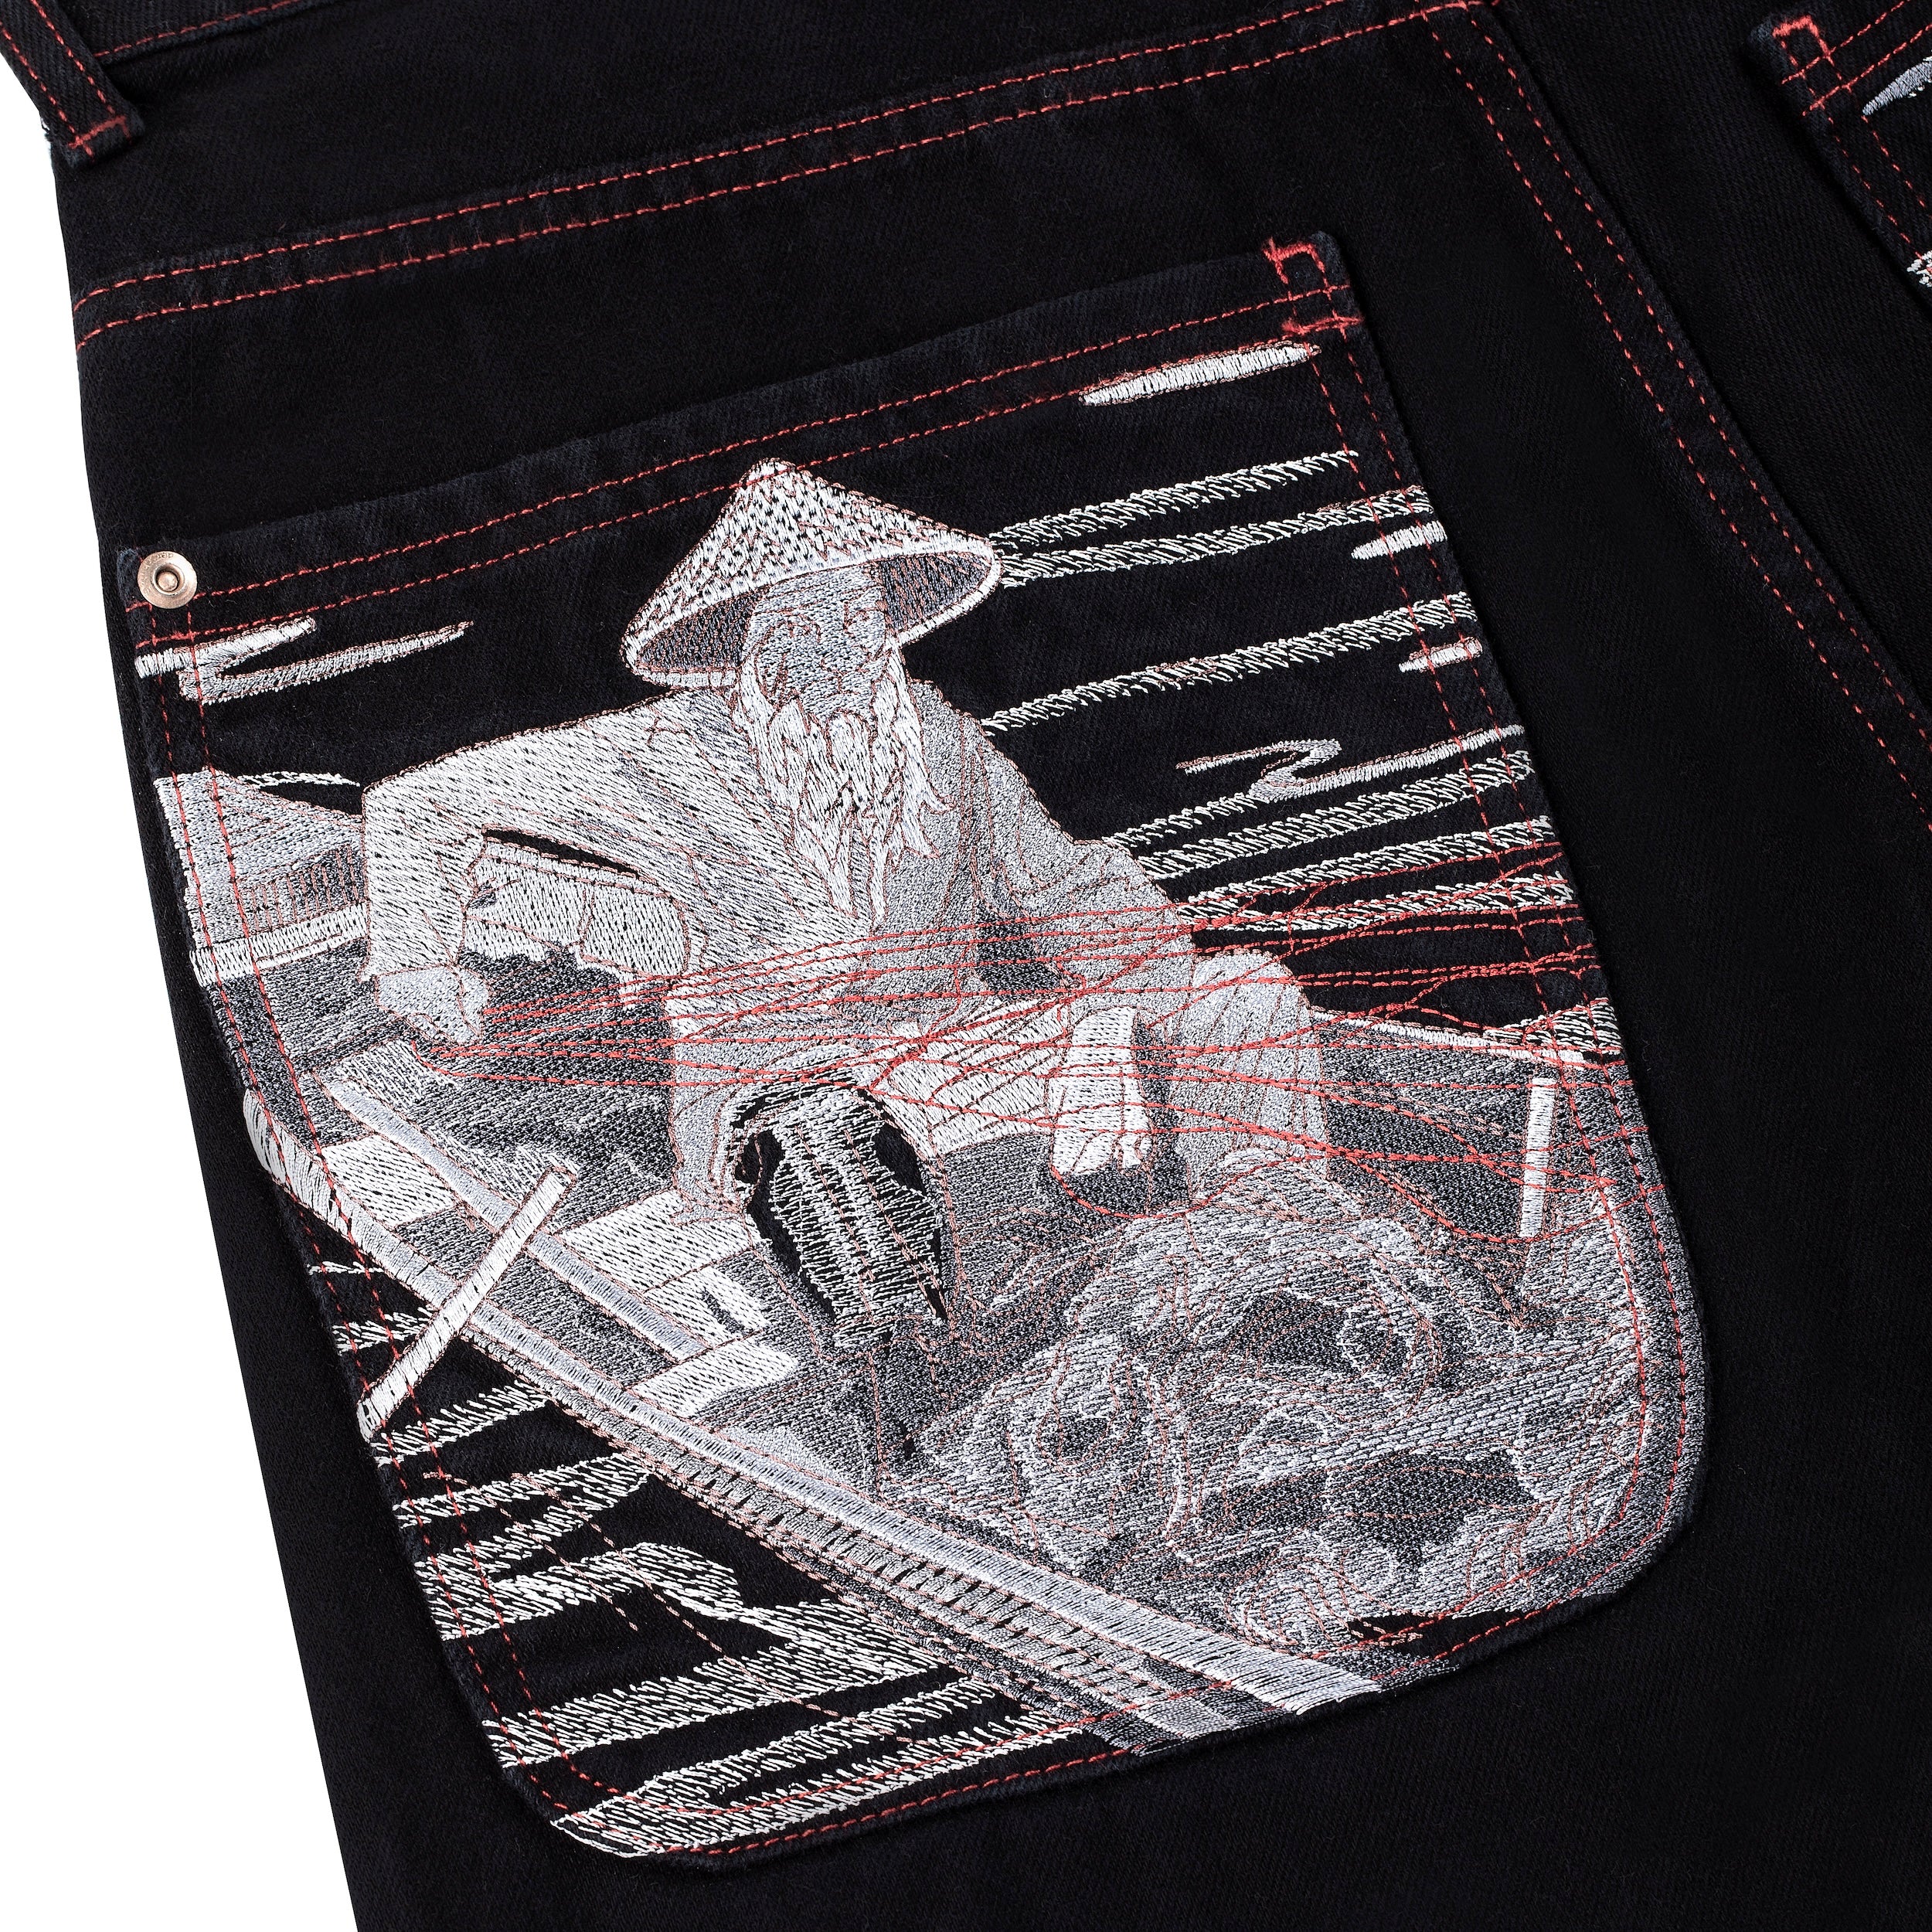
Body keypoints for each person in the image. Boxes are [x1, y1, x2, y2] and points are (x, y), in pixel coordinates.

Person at [360, 458, 1326, 1213]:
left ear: (884, 623)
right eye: (797, 622)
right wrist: (415, 966)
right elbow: (414, 803)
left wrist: (1113, 1019)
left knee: (1244, 995)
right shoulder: (655, 754)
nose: (834, 654)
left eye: (854, 616)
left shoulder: (939, 739)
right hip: (778, 1104)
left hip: (963, 1054)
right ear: (745, 640)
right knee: (835, 1136)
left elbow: (1073, 889)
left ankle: (1278, 1230)